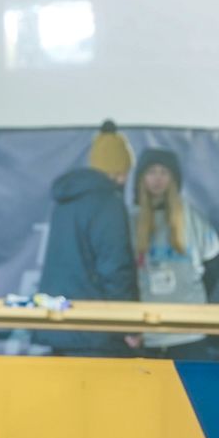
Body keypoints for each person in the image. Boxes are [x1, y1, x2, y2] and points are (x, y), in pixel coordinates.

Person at [36, 120, 138, 354]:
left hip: (58, 324)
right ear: (120, 171)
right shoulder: (108, 203)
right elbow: (114, 268)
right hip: (95, 330)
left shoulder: (66, 201)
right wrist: (129, 323)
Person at [131, 147, 219, 354]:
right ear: (141, 178)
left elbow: (213, 266)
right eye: (151, 172)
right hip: (148, 331)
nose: (157, 179)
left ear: (173, 178)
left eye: (164, 172)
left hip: (188, 330)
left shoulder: (190, 217)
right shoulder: (132, 220)